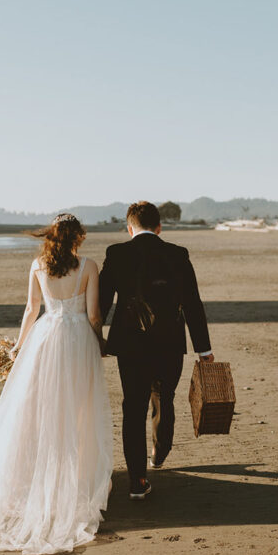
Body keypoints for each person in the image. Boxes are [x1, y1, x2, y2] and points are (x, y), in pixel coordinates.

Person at [0, 213, 112, 555]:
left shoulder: (38, 265)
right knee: (76, 410)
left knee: (40, 411)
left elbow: (32, 309)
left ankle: (35, 485)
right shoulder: (88, 267)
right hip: (77, 341)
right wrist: (99, 342)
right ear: (78, 238)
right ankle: (72, 484)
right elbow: (94, 314)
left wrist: (19, 346)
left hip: (46, 338)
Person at [99, 201, 214, 500]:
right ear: (159, 227)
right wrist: (204, 349)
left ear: (129, 227)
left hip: (131, 344)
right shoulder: (177, 254)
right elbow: (192, 304)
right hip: (170, 342)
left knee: (132, 408)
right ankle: (159, 455)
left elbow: (101, 303)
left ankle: (137, 481)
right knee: (164, 397)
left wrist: (94, 338)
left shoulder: (117, 253)